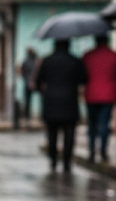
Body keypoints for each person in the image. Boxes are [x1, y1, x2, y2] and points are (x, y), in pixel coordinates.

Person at [36, 40, 88, 172]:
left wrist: (44, 92)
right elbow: (84, 79)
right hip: (69, 102)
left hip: (51, 102)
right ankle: (66, 162)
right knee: (69, 134)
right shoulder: (75, 61)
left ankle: (53, 159)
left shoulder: (47, 61)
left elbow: (38, 81)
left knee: (52, 133)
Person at [82, 34, 116, 163]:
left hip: (91, 94)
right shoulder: (115, 56)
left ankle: (91, 150)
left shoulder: (88, 56)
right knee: (104, 123)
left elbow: (82, 75)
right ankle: (103, 151)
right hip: (108, 94)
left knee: (92, 123)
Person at [19, 47, 39, 121]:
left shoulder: (26, 61)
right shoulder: (35, 61)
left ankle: (27, 115)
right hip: (34, 82)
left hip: (27, 82)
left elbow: (23, 72)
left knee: (27, 100)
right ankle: (27, 115)